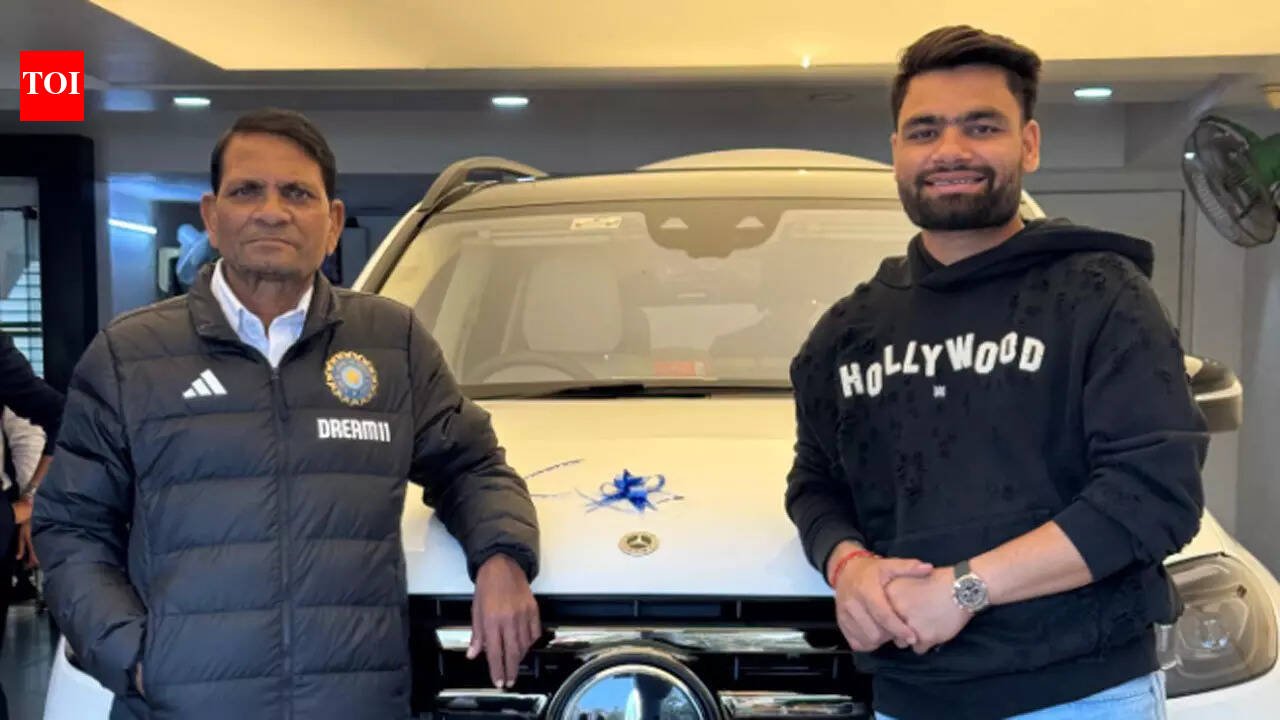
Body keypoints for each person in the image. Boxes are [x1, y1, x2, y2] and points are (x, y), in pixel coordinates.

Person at [33, 108, 541, 720]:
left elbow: (472, 466)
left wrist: (502, 557)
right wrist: (136, 659)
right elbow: (71, 528)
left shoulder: (393, 343)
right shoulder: (129, 356)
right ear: (211, 216)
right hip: (181, 708)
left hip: (354, 705)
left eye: (297, 193)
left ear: (332, 223)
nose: (272, 211)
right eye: (247, 190)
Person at [785, 26, 1205, 720]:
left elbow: (1154, 493)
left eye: (981, 127)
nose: (950, 150)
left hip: (1082, 695)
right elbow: (814, 482)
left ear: (1028, 144)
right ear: (896, 152)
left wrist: (964, 589)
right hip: (910, 698)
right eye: (924, 131)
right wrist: (846, 563)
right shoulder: (846, 333)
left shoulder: (1100, 295)